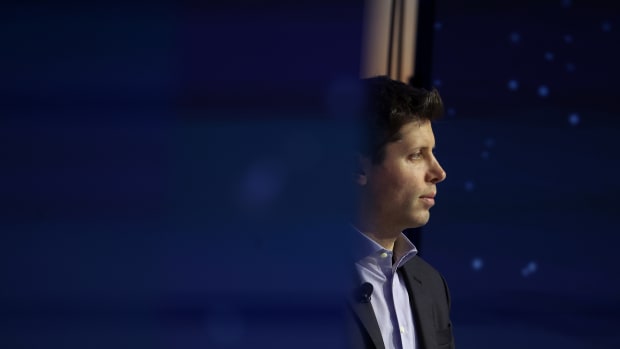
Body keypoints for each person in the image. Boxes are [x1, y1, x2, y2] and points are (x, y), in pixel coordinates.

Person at [347, 76, 455, 349]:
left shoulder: (431, 286)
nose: (439, 173)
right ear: (359, 168)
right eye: (417, 155)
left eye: (433, 153)